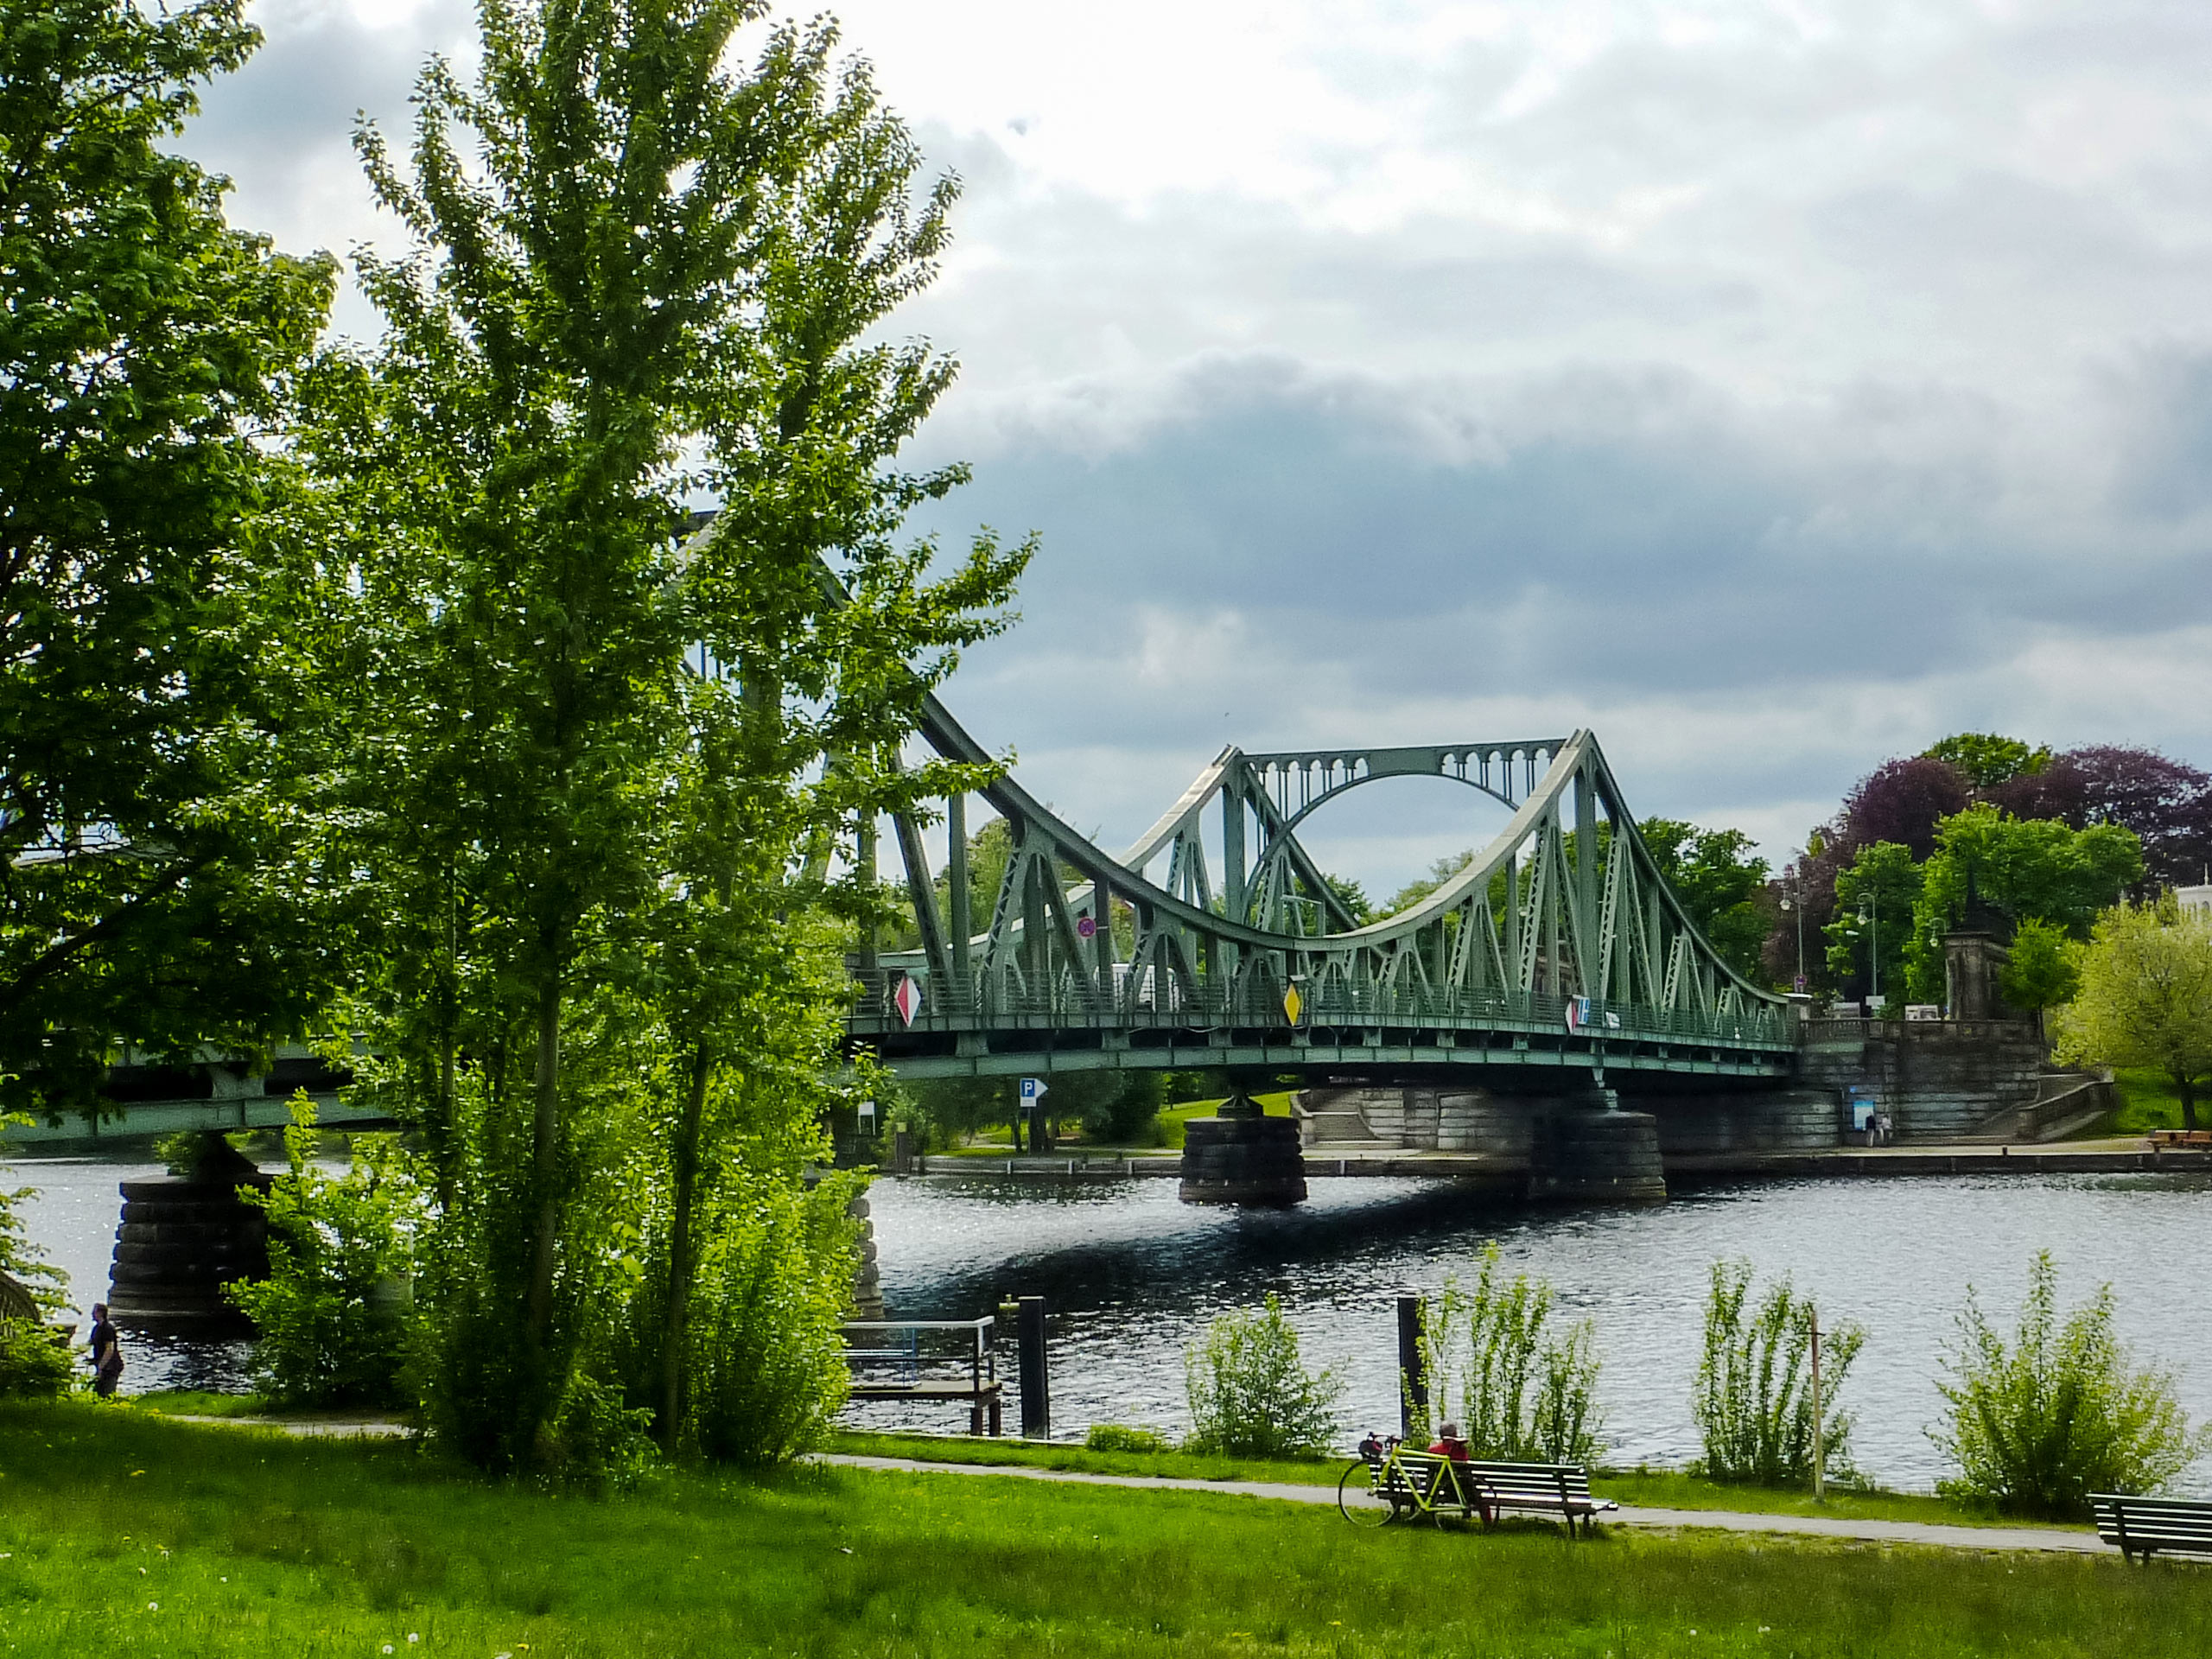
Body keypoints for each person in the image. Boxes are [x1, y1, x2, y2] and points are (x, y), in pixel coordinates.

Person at [87, 1303, 123, 1398]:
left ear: (100, 1313)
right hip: (101, 1365)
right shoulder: (96, 1328)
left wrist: (101, 1365)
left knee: (107, 1393)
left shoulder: (108, 1328)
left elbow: (109, 1349)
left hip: (111, 1366)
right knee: (98, 1392)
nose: (92, 1314)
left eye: (94, 1312)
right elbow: (90, 1343)